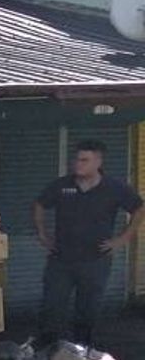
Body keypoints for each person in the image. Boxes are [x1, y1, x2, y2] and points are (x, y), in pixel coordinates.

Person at [34, 139, 145, 348]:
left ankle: (81, 351)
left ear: (98, 162)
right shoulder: (62, 185)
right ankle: (46, 350)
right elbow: (40, 204)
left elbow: (139, 209)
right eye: (77, 159)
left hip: (95, 260)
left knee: (87, 309)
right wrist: (42, 233)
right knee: (52, 306)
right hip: (61, 259)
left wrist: (123, 238)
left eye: (84, 160)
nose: (78, 164)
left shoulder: (114, 187)